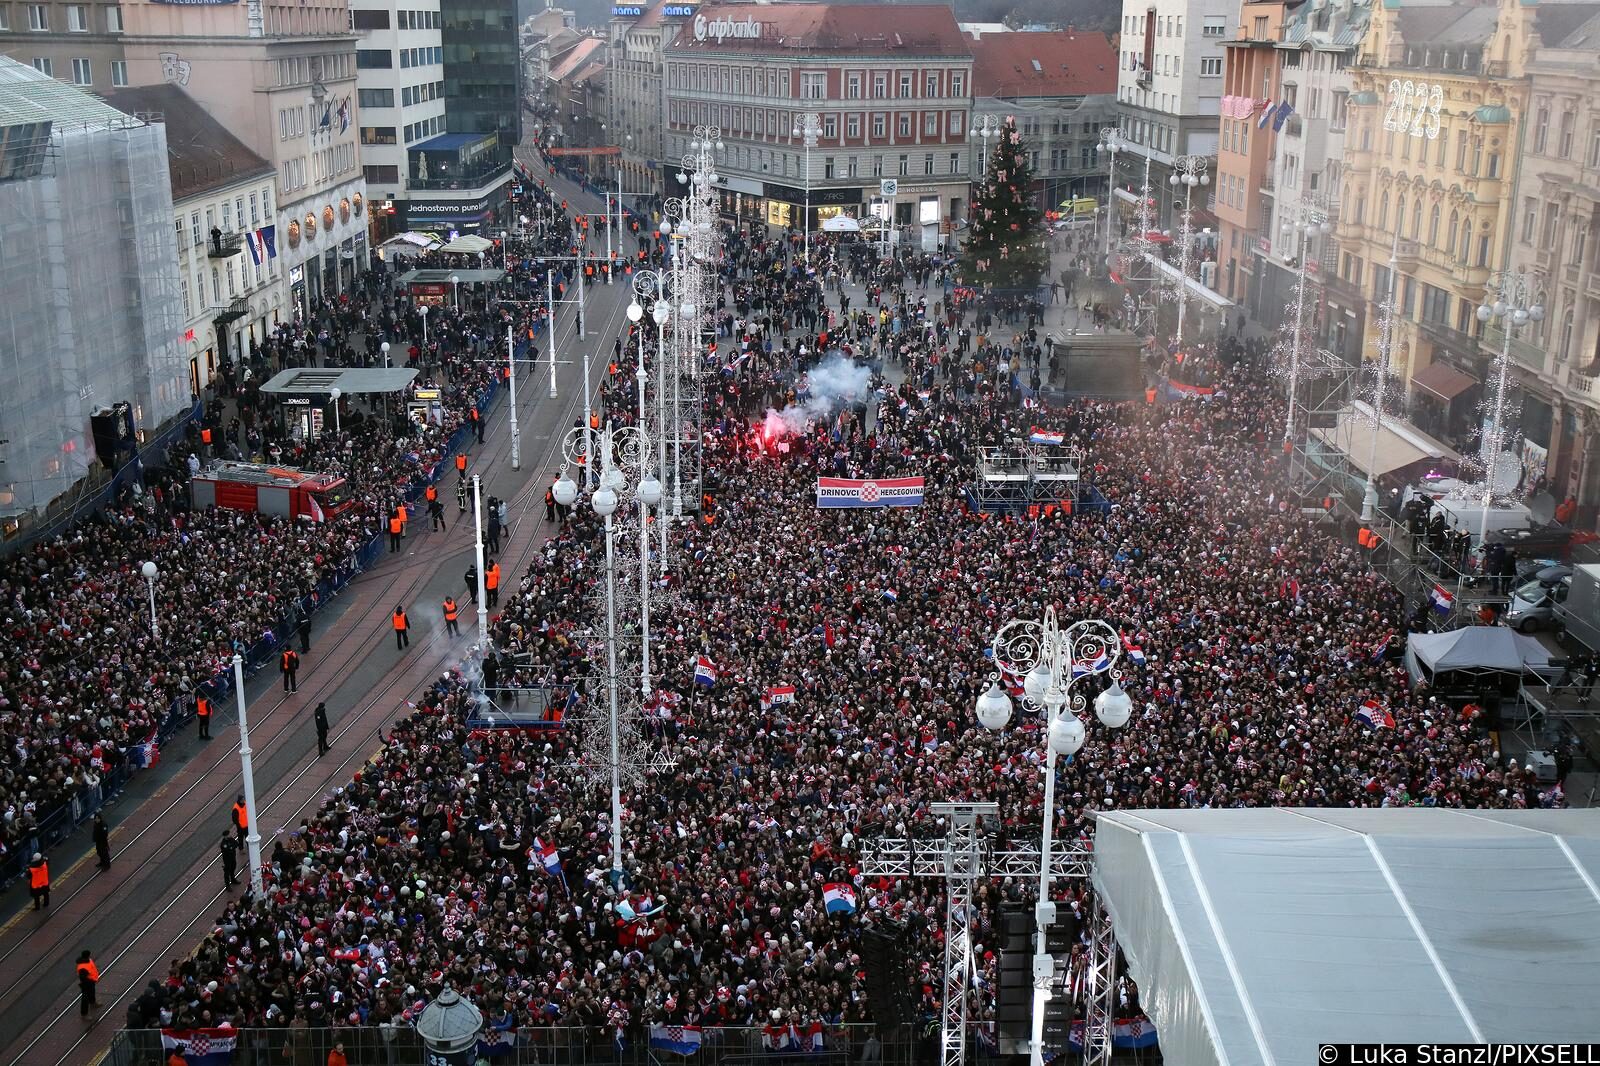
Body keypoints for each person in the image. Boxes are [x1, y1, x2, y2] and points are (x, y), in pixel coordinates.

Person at [75, 950, 99, 1019]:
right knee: (85, 998)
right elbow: (83, 977)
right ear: (88, 955)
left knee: (92, 992)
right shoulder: (82, 967)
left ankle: (92, 1002)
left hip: (91, 981)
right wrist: (87, 983)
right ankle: (84, 1014)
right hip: (87, 983)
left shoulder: (88, 960)